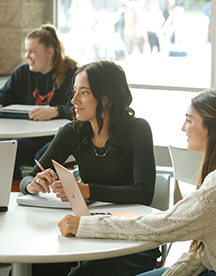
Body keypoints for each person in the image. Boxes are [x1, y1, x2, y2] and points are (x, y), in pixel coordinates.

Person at [59, 88, 216, 276]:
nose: (183, 127)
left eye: (189, 120)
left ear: (214, 127)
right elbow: (204, 252)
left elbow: (164, 225)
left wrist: (86, 225)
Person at [19, 60, 160, 276]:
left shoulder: (138, 129)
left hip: (129, 238)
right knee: (32, 267)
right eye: (75, 91)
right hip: (85, 232)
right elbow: (28, 179)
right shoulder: (72, 132)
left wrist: (86, 190)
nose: (74, 100)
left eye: (84, 92)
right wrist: (33, 185)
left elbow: (144, 193)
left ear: (108, 97)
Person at [0, 24, 78, 181]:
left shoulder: (72, 73)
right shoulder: (22, 73)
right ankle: (15, 193)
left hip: (58, 137)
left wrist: (55, 111)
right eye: (26, 50)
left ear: (49, 52)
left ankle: (38, 194)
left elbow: (77, 109)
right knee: (9, 151)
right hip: (31, 137)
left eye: (32, 51)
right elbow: (1, 97)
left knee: (41, 157)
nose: (27, 56)